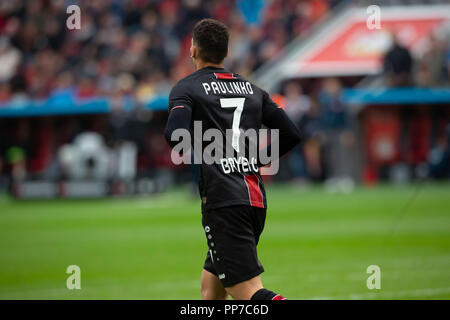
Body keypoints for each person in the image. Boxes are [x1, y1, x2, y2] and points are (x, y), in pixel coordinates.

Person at [164, 19, 301, 300]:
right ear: (226, 53)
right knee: (210, 291)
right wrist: (255, 160)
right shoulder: (253, 90)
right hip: (253, 199)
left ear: (192, 50)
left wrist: (208, 154)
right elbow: (291, 133)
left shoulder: (186, 88)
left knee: (248, 293)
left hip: (224, 203)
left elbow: (174, 133)